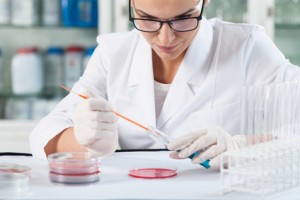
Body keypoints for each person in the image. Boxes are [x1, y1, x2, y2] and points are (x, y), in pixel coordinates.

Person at [30, 0, 300, 168]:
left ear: (204, 2)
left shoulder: (245, 46)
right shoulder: (114, 52)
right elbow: (44, 133)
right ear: (131, 5)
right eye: (147, 19)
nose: (165, 38)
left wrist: (246, 147)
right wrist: (83, 140)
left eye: (183, 19)